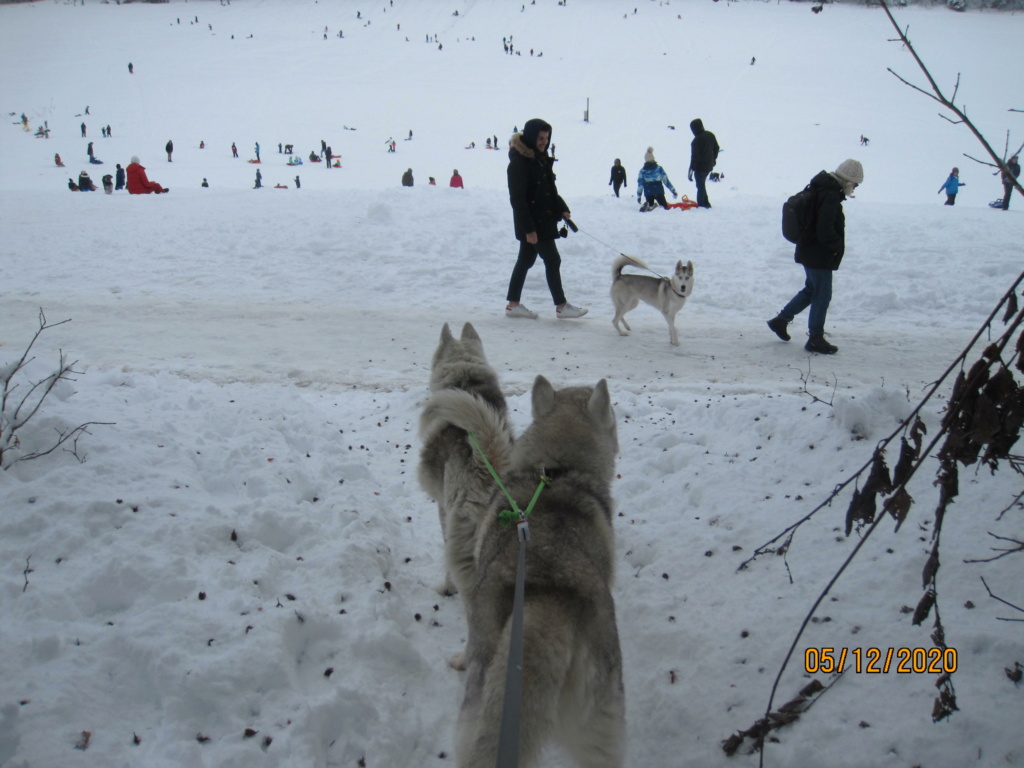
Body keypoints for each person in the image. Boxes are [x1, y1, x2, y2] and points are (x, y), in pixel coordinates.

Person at [767, 159, 863, 354]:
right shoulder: (830, 195)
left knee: (812, 290)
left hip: (810, 250)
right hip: (819, 254)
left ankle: (781, 320)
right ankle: (815, 338)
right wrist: (835, 246)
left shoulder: (822, 188)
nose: (855, 188)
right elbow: (824, 228)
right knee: (822, 295)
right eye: (855, 184)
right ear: (848, 180)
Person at [504, 118, 587, 319]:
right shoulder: (519, 163)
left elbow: (549, 191)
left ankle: (513, 304)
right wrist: (529, 229)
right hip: (535, 223)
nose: (544, 142)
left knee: (525, 260)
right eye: (540, 138)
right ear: (531, 137)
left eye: (547, 138)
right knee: (552, 259)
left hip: (543, 219)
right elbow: (518, 200)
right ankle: (561, 305)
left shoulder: (540, 159)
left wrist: (562, 209)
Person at [688, 118, 719, 208]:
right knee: (701, 185)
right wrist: (713, 159)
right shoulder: (710, 135)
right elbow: (716, 147)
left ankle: (703, 204)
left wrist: (691, 170)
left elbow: (694, 157)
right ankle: (705, 203)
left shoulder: (696, 141)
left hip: (700, 167)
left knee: (700, 186)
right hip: (709, 165)